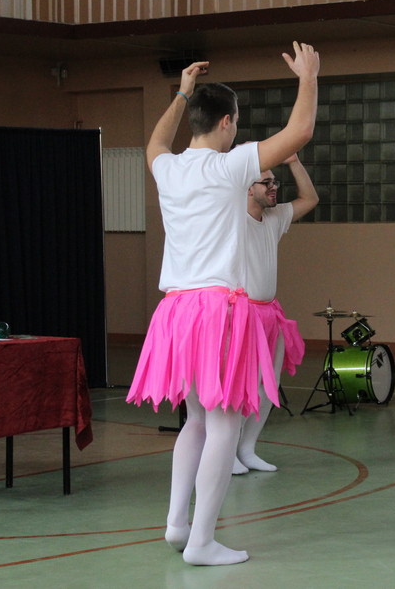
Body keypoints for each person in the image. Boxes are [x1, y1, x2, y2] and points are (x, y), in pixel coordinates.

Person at [125, 41, 320, 566]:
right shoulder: (231, 167)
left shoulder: (169, 168)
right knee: (224, 426)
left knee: (195, 420)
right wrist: (308, 77)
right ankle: (202, 541)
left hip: (176, 311)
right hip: (219, 310)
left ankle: (177, 523)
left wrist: (181, 92)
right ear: (229, 122)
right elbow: (300, 132)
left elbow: (155, 141)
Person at [233, 154, 318, 474]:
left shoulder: (275, 217)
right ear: (246, 188)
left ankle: (247, 449)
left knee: (267, 386)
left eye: (274, 181)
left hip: (270, 313)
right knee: (238, 386)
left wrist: (294, 162)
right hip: (240, 315)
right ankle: (226, 452)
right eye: (265, 182)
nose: (273, 187)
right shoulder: (230, 219)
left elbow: (310, 198)